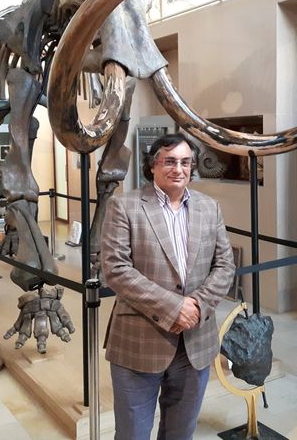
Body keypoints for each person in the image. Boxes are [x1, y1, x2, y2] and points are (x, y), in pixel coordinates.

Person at [101, 133, 235, 440]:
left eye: (185, 162)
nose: (179, 169)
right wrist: (174, 307)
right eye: (170, 161)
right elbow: (116, 270)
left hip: (195, 345)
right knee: (132, 433)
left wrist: (198, 306)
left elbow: (225, 265)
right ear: (152, 165)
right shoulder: (124, 206)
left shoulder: (209, 207)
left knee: (180, 433)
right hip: (139, 344)